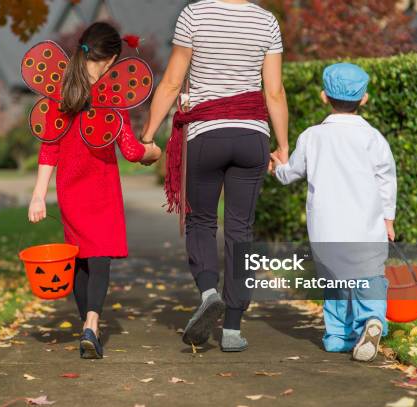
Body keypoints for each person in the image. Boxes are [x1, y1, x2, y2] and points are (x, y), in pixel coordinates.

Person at [140, 0, 289, 351]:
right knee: (241, 229)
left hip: (206, 134)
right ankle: (233, 329)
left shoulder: (194, 14)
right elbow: (274, 92)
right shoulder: (266, 21)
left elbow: (173, 82)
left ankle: (209, 293)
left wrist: (147, 137)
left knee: (202, 222)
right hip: (252, 136)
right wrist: (283, 145)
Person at [28, 22, 161, 359]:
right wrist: (154, 152)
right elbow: (131, 151)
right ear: (112, 59)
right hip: (101, 191)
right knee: (99, 259)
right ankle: (92, 323)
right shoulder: (112, 99)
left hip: (69, 192)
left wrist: (38, 194)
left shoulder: (62, 92)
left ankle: (86, 325)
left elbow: (49, 147)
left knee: (81, 262)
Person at [271, 63, 397, 362]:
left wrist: (278, 166)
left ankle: (338, 336)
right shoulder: (373, 138)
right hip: (366, 225)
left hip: (326, 229)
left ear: (324, 96)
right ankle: (372, 319)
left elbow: (291, 174)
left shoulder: (312, 137)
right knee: (368, 277)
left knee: (334, 280)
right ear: (364, 99)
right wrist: (388, 219)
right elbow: (386, 180)